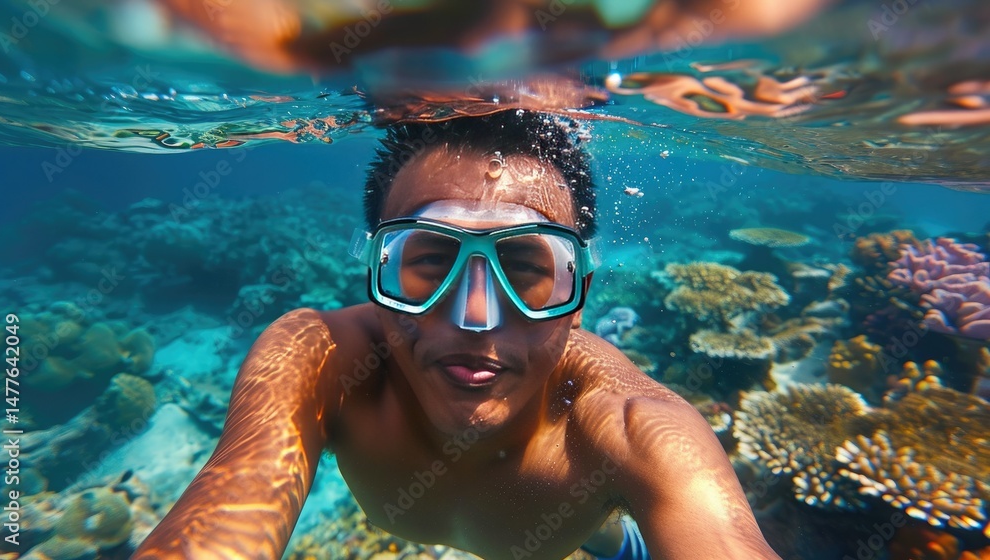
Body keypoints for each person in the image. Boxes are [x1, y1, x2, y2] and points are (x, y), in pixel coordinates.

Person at [132, 110, 781, 560]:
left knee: (607, 538)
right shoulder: (318, 358)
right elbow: (230, 502)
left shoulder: (633, 427)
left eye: (527, 268)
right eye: (430, 261)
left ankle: (610, 539)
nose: (476, 317)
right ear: (376, 278)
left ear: (577, 295)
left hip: (573, 529)